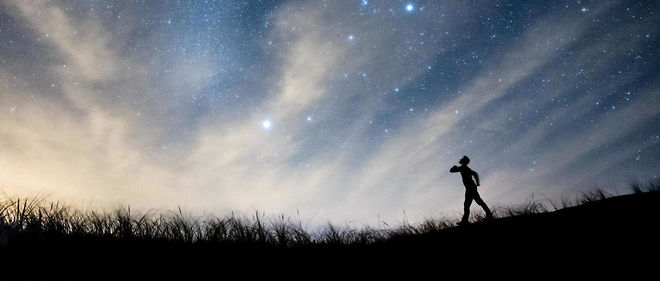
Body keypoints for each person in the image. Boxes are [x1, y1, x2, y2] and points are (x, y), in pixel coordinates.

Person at [450, 156, 493, 225]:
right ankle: (488, 215)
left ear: (463, 161)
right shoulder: (466, 168)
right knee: (475, 202)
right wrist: (477, 183)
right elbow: (475, 174)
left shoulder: (462, 168)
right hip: (471, 187)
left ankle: (465, 221)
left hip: (470, 188)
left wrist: (454, 166)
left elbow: (451, 171)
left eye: (461, 159)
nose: (460, 160)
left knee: (472, 203)